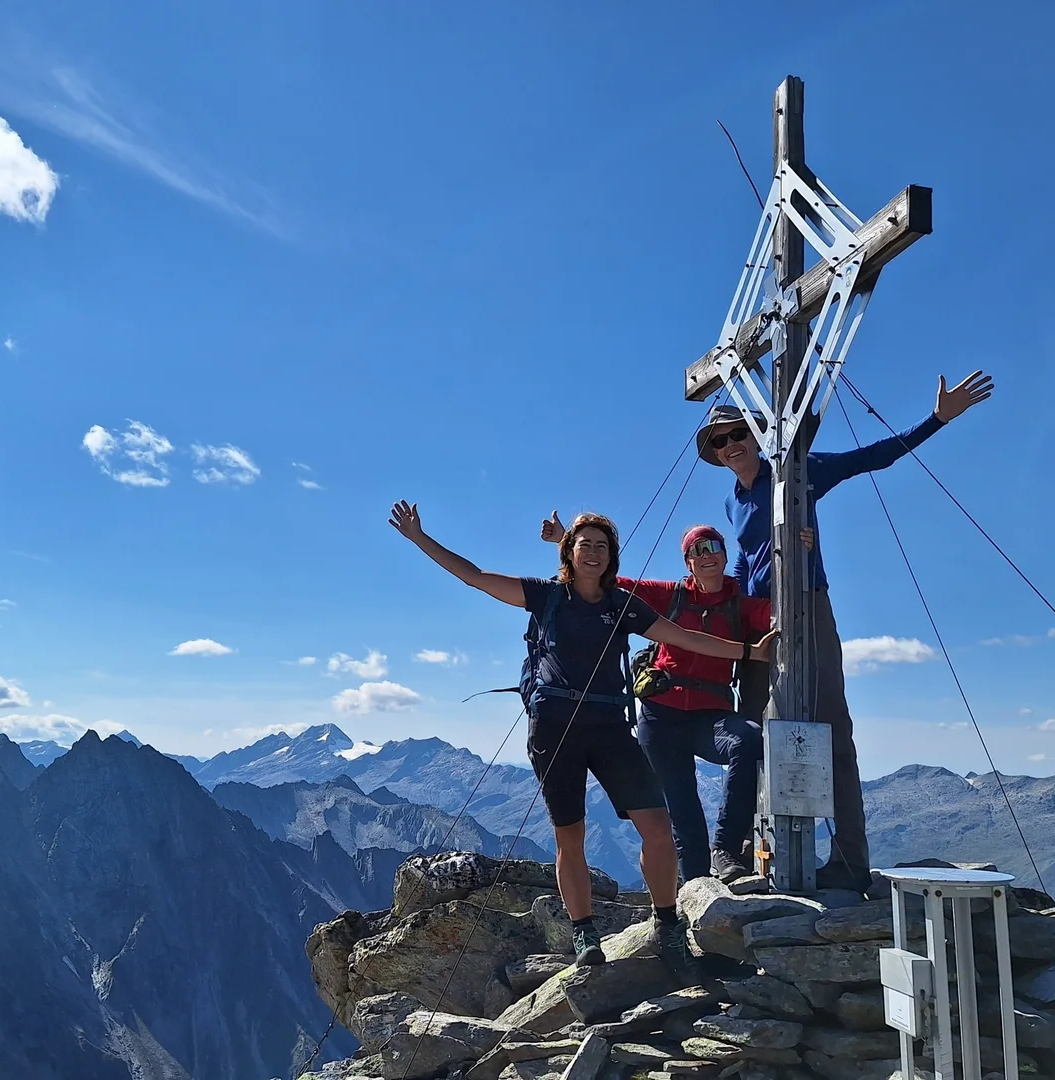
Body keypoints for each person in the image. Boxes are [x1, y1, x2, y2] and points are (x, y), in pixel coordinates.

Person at [389, 501, 775, 971]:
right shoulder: (546, 595)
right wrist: (418, 538)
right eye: (584, 545)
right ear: (568, 552)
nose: (593, 553)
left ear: (612, 556)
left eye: (602, 546)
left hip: (611, 726)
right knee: (569, 836)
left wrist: (748, 654)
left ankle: (667, 923)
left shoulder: (621, 604)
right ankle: (583, 932)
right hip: (556, 728)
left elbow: (683, 637)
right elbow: (474, 576)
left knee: (657, 830)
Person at [697, 371, 994, 893]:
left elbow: (872, 458)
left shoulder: (798, 469)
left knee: (831, 726)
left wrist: (937, 420)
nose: (730, 446)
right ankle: (746, 853)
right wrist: (733, 608)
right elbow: (744, 559)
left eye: (737, 433)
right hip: (760, 617)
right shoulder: (732, 502)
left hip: (807, 605)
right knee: (749, 728)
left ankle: (849, 859)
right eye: (719, 442)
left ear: (756, 434)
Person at [537, 518, 773, 884]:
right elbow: (602, 580)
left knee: (747, 739)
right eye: (696, 550)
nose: (705, 555)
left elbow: (784, 611)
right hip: (661, 718)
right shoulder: (670, 594)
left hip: (710, 716)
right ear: (687, 563)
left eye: (712, 547)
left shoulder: (741, 604)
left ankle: (725, 849)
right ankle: (697, 896)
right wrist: (566, 541)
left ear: (725, 556)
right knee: (683, 814)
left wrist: (802, 550)